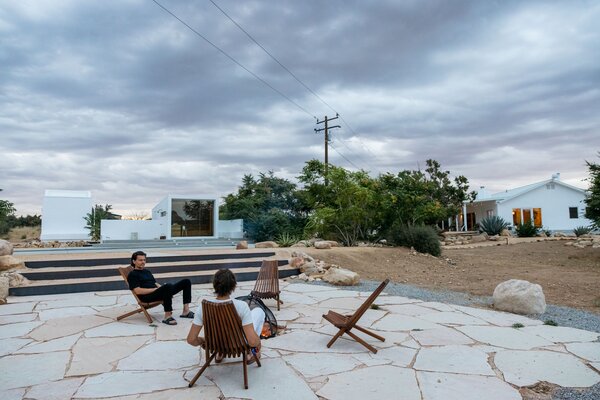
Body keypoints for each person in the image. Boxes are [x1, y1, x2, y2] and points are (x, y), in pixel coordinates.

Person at [187, 268, 265, 364]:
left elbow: (191, 339)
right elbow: (252, 341)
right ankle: (252, 353)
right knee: (258, 311)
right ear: (233, 286)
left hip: (215, 344)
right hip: (239, 344)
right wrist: (258, 344)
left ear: (214, 285)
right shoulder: (241, 306)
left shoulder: (203, 307)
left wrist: (204, 340)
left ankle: (220, 352)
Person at [127, 250, 194, 325]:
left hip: (157, 292)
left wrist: (162, 287)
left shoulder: (147, 271)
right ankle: (167, 316)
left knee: (186, 282)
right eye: (140, 260)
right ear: (134, 261)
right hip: (147, 296)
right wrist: (157, 289)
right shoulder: (133, 275)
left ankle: (186, 311)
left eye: (144, 260)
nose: (143, 262)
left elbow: (154, 283)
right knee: (167, 286)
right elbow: (137, 291)